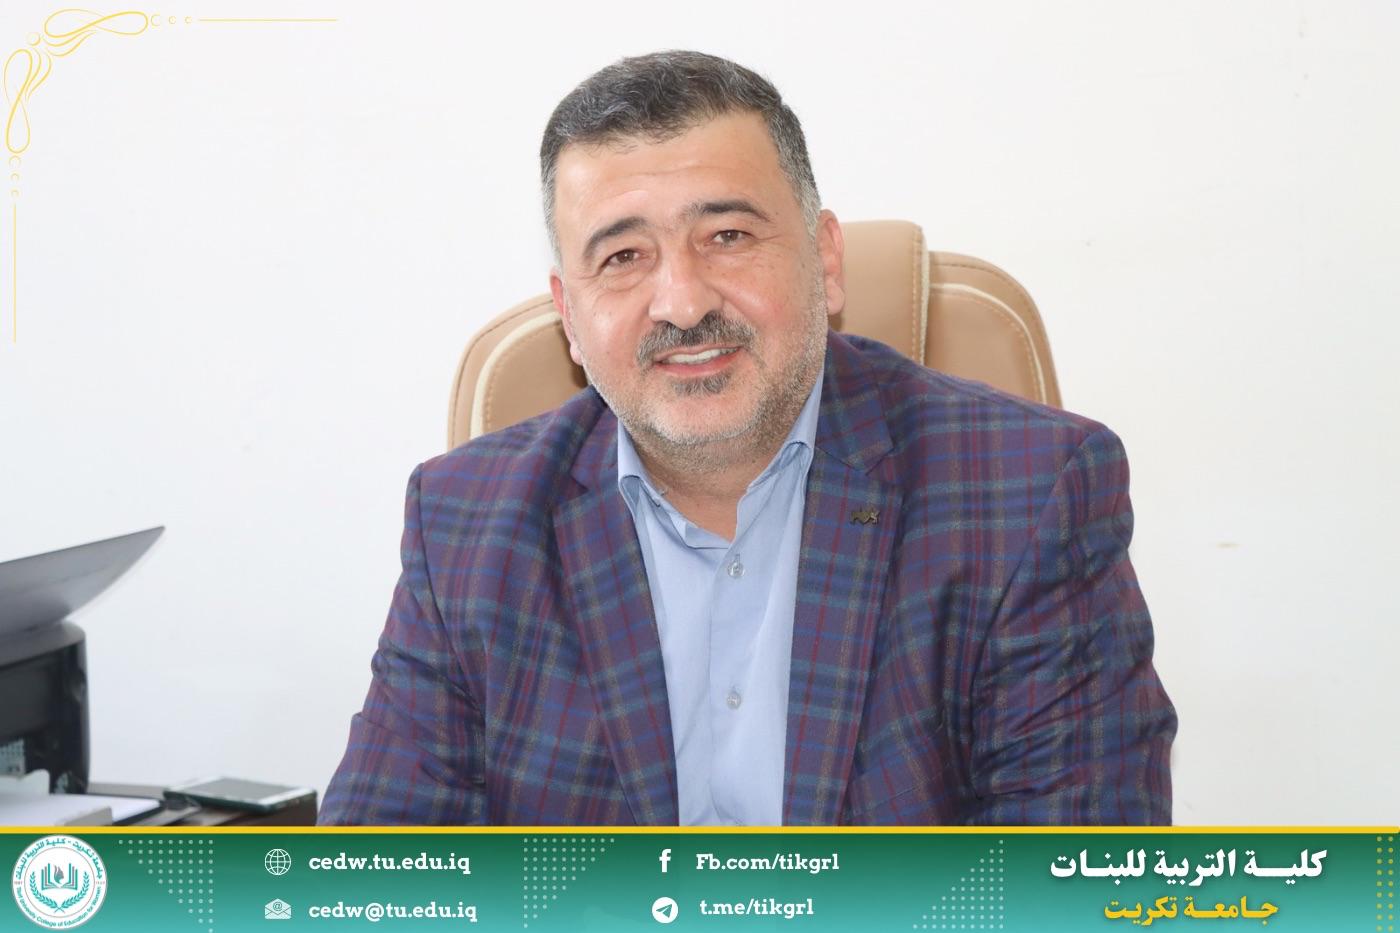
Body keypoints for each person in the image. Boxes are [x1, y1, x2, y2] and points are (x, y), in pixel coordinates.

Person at [320, 50, 1176, 826]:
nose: (683, 302)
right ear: (569, 316)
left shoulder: (1028, 496)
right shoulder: (463, 524)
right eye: (623, 257)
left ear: (825, 260)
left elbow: (1071, 888)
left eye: (726, 237)